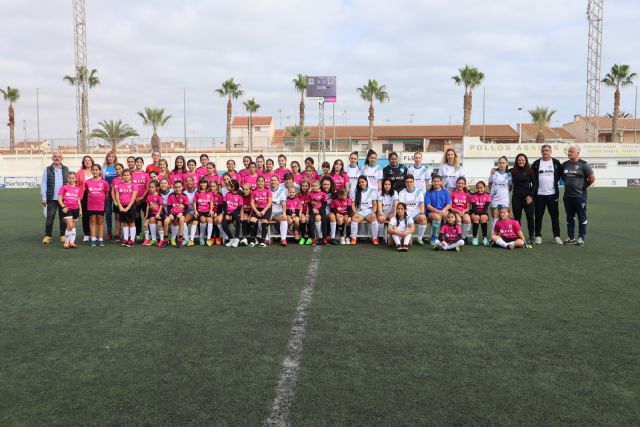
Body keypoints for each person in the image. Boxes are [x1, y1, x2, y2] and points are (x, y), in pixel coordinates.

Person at [561, 144, 595, 246]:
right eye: (569, 152)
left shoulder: (584, 165)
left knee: (581, 217)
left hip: (579, 197)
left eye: (571, 152)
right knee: (569, 217)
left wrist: (583, 187)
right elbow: (564, 177)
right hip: (567, 196)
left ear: (578, 153)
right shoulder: (565, 164)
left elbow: (592, 178)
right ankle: (571, 238)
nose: (569, 153)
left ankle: (581, 238)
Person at [531, 144, 563, 245]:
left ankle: (556, 236)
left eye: (547, 150)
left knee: (554, 216)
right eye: (543, 150)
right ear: (541, 152)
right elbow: (530, 175)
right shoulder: (536, 163)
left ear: (550, 152)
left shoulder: (556, 163)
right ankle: (538, 236)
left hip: (552, 194)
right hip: (539, 194)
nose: (545, 152)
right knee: (539, 216)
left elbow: (561, 175)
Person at [41, 151, 69, 244]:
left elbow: (69, 184)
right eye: (55, 156)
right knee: (50, 217)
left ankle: (62, 235)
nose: (57, 158)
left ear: (62, 158)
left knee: (63, 218)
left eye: (59, 156)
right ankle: (48, 236)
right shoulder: (47, 169)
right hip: (51, 198)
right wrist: (44, 197)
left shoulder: (66, 169)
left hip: (63, 199)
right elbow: (44, 184)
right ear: (52, 158)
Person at [510, 153, 535, 243]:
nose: (521, 161)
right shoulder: (513, 170)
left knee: (530, 217)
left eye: (523, 160)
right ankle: (518, 236)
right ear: (517, 161)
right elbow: (503, 168)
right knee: (517, 218)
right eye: (519, 160)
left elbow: (535, 184)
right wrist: (494, 169)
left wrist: (530, 196)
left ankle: (532, 236)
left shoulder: (530, 171)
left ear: (525, 161)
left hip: (527, 197)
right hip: (516, 197)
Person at [85, 164, 110, 247]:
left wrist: (102, 201)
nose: (95, 171)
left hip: (100, 205)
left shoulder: (104, 182)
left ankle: (100, 239)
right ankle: (93, 239)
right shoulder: (87, 182)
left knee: (100, 221)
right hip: (91, 205)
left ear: (100, 171)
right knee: (92, 221)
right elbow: (86, 192)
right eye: (93, 170)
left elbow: (106, 194)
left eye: (96, 170)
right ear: (91, 171)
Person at [398, 175, 427, 245]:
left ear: (414, 182)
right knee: (409, 243)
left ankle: (419, 239)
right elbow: (401, 206)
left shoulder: (419, 191)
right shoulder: (402, 192)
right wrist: (404, 215)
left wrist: (422, 213)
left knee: (423, 219)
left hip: (416, 214)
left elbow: (421, 203)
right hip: (406, 215)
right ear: (405, 183)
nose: (409, 184)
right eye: (407, 182)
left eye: (411, 182)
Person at [350, 176, 379, 245]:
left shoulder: (372, 191)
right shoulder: (356, 192)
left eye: (363, 182)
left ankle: (375, 238)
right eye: (359, 182)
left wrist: (374, 212)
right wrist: (355, 212)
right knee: (354, 218)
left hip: (369, 211)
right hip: (360, 212)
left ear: (366, 182)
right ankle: (354, 238)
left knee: (374, 218)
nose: (361, 183)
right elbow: (353, 205)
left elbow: (374, 203)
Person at [57, 171, 82, 248]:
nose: (71, 179)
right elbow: (59, 198)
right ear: (67, 178)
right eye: (70, 178)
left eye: (73, 178)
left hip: (76, 209)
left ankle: (72, 242)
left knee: (73, 226)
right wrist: (63, 207)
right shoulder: (64, 187)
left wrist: (80, 210)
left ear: (76, 179)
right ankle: (66, 242)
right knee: (70, 225)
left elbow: (78, 200)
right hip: (67, 209)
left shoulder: (78, 188)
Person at [114, 169, 138, 247]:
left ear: (131, 176)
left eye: (128, 175)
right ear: (122, 176)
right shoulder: (119, 185)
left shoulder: (133, 185)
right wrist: (120, 206)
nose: (126, 176)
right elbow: (117, 196)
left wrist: (128, 207)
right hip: (121, 207)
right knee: (124, 222)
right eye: (124, 175)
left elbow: (133, 197)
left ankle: (132, 240)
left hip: (130, 206)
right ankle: (126, 239)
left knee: (131, 222)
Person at [424, 175, 451, 245]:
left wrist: (444, 210)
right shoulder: (428, 192)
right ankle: (434, 237)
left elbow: (449, 205)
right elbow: (428, 206)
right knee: (437, 217)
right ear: (432, 182)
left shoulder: (445, 192)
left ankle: (445, 235)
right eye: (434, 181)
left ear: (441, 182)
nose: (436, 183)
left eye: (438, 181)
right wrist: (438, 211)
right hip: (431, 212)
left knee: (448, 216)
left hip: (442, 211)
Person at [488, 156, 512, 233]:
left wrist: (503, 191)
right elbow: (490, 184)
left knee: (504, 216)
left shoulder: (509, 175)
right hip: (494, 198)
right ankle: (493, 236)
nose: (501, 164)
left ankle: (504, 234)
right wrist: (494, 191)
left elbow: (510, 186)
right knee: (495, 217)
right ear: (498, 164)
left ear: (507, 164)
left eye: (503, 163)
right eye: (500, 163)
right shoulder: (494, 172)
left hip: (504, 198)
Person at [164, 180, 190, 248]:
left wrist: (182, 213)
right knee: (166, 221)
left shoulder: (184, 196)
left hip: (181, 214)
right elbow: (168, 206)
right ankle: (166, 240)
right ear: (174, 187)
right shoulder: (171, 196)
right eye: (176, 187)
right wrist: (170, 214)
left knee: (181, 220)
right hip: (172, 213)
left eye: (179, 187)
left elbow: (187, 208)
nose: (178, 189)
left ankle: (180, 240)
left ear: (182, 187)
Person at [248, 176, 272, 247]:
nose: (260, 182)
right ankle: (253, 240)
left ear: (264, 182)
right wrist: (256, 211)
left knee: (264, 221)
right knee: (252, 220)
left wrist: (264, 211)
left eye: (262, 181)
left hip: (267, 209)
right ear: (256, 182)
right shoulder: (254, 192)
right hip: (257, 209)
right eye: (259, 181)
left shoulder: (268, 191)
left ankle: (263, 241)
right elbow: (252, 203)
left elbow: (270, 202)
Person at [220, 180, 244, 248]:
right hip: (227, 213)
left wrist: (231, 214)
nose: (227, 187)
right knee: (223, 224)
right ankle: (231, 239)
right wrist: (227, 213)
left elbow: (239, 208)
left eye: (228, 186)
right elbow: (224, 205)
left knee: (238, 220)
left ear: (233, 187)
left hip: (235, 213)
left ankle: (236, 238)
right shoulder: (227, 194)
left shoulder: (239, 196)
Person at [76, 155, 95, 242]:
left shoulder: (96, 170)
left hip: (94, 196)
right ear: (83, 163)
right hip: (84, 196)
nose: (87, 162)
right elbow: (76, 185)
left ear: (92, 161)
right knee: (85, 216)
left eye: (89, 160)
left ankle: (93, 234)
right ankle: (86, 234)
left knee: (93, 215)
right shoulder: (80, 172)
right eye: (85, 161)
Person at [142, 180, 164, 246]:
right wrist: (146, 216)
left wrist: (158, 213)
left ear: (157, 188)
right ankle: (150, 239)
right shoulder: (148, 196)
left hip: (159, 213)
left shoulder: (159, 196)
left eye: (153, 187)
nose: (151, 189)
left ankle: (162, 239)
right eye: (150, 187)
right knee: (145, 224)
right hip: (152, 213)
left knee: (160, 224)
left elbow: (161, 205)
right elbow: (148, 207)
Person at [193, 178, 215, 246]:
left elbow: (211, 202)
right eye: (201, 183)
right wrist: (195, 211)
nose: (203, 184)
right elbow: (194, 202)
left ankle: (208, 239)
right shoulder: (197, 192)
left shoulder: (210, 192)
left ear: (207, 184)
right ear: (199, 184)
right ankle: (201, 237)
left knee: (210, 220)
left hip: (207, 211)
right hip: (200, 211)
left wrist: (211, 210)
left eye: (204, 183)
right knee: (202, 220)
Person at [376, 178, 399, 243]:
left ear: (391, 185)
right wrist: (381, 214)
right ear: (383, 185)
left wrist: (394, 214)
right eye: (385, 184)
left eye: (389, 184)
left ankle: (393, 236)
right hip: (383, 212)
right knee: (381, 219)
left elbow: (396, 204)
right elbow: (379, 206)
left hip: (391, 212)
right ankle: (380, 237)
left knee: (394, 219)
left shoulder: (395, 192)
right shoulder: (380, 193)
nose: (387, 186)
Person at [450, 177, 472, 242]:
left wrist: (464, 211)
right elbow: (450, 207)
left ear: (465, 185)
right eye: (459, 183)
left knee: (467, 220)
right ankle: (457, 236)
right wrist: (457, 211)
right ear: (456, 184)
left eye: (462, 183)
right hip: (455, 211)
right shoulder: (452, 193)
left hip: (464, 212)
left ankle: (464, 237)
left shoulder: (467, 195)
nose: (460, 185)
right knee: (458, 219)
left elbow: (468, 207)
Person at [102, 150, 118, 240]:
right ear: (107, 158)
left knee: (118, 213)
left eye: (112, 157)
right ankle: (109, 232)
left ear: (115, 158)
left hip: (117, 192)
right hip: (107, 191)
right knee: (108, 212)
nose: (111, 158)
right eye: (109, 157)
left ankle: (118, 233)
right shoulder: (104, 167)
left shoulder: (117, 167)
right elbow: (101, 179)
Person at [470, 181, 491, 246]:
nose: (479, 189)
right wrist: (477, 214)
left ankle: (484, 237)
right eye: (478, 188)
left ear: (484, 187)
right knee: (476, 218)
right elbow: (473, 207)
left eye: (481, 187)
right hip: (475, 212)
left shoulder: (488, 195)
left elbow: (486, 207)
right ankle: (475, 237)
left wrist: (482, 214)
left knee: (483, 218)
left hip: (484, 212)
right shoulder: (473, 195)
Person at [307, 179, 328, 245]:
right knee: (310, 221)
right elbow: (309, 203)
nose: (314, 187)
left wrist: (319, 210)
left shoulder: (323, 193)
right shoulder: (309, 194)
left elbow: (325, 204)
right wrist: (313, 209)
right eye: (313, 186)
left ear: (319, 186)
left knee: (325, 220)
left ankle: (324, 238)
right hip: (313, 210)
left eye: (316, 186)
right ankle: (313, 238)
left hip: (321, 210)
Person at [269, 175, 288, 246]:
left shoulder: (281, 191)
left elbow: (283, 203)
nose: (273, 182)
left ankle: (283, 239)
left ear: (278, 182)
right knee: (263, 219)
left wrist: (284, 213)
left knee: (284, 218)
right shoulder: (267, 190)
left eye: (275, 180)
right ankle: (267, 238)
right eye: (272, 180)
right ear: (270, 182)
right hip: (269, 212)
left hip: (278, 213)